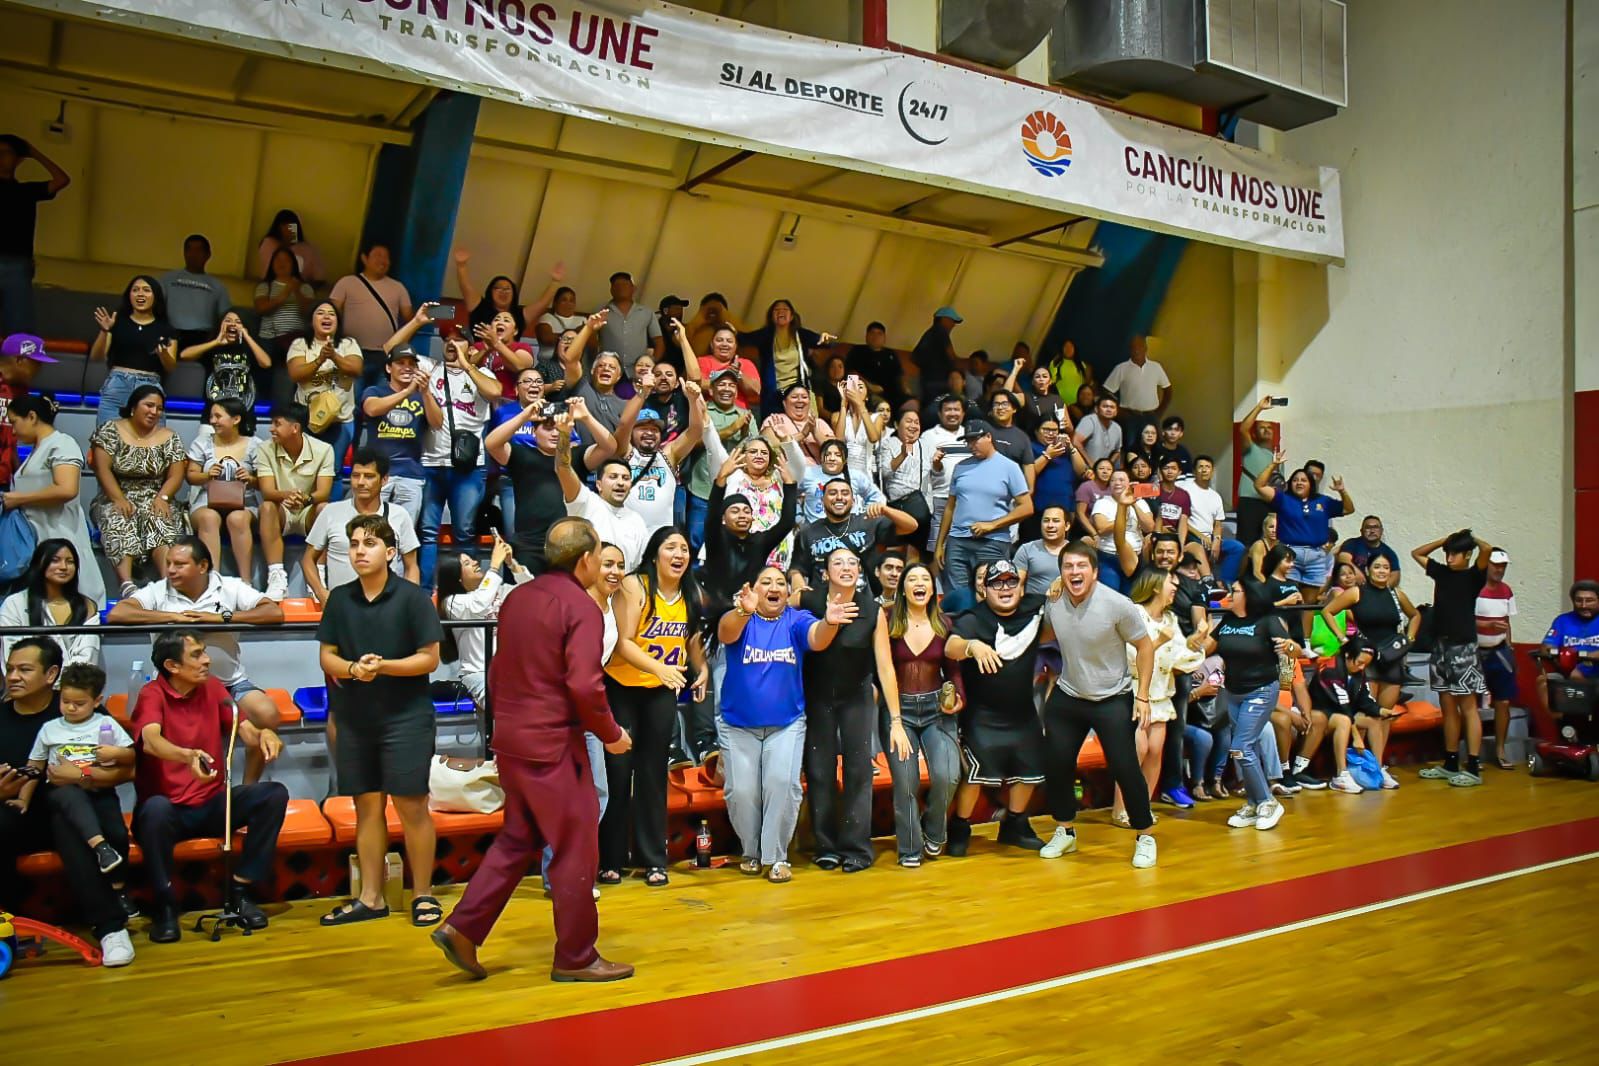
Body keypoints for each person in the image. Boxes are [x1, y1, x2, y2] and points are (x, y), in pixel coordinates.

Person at [432, 517, 633, 982]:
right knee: (575, 849)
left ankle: (463, 928)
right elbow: (585, 684)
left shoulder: (517, 597)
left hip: (512, 738)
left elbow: (498, 670)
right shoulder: (580, 607)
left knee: (517, 838)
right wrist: (611, 733)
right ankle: (577, 956)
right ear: (586, 559)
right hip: (553, 744)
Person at [317, 515, 443, 928]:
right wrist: (354, 669)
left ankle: (422, 893)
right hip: (356, 718)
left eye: (368, 544)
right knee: (366, 806)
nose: (358, 551)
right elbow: (327, 657)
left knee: (412, 806)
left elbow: (429, 658)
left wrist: (384, 666)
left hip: (406, 717)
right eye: (353, 543)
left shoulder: (411, 597)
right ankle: (371, 897)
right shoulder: (339, 599)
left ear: (390, 553)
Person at [132, 629, 287, 943]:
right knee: (155, 810)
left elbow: (245, 729)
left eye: (204, 652)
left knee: (273, 794)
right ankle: (164, 905)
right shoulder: (152, 694)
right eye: (197, 655)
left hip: (211, 803)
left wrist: (265, 734)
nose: (206, 660)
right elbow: (150, 740)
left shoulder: (213, 687)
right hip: (169, 809)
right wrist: (185, 755)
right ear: (172, 666)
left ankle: (240, 889)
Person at [0, 639, 134, 966]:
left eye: (24, 669)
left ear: (51, 675)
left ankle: (111, 928)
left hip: (73, 806)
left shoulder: (82, 708)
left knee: (69, 816)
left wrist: (81, 776)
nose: (13, 677)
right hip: (18, 809)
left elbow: (126, 769)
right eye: (9, 669)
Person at [717, 567, 851, 882]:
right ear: (754, 590)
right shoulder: (742, 618)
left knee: (782, 785)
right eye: (766, 582)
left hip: (786, 724)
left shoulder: (795, 619)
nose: (774, 587)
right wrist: (741, 611)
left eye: (781, 582)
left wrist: (829, 622)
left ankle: (776, 857)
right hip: (738, 725)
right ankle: (751, 852)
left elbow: (817, 640)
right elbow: (725, 633)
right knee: (741, 791)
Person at [110, 536, 285, 778]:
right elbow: (118, 613)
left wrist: (222, 619)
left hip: (229, 684)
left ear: (202, 566)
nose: (170, 570)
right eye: (169, 563)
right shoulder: (157, 590)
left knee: (266, 713)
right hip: (176, 689)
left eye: (179, 564)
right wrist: (172, 618)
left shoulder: (230, 586)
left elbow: (273, 611)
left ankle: (247, 790)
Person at [1036, 545, 1158, 867]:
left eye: (1081, 566)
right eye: (1068, 566)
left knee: (1124, 767)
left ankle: (1145, 834)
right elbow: (1047, 632)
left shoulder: (1118, 605)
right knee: (1057, 762)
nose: (1075, 572)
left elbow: (1145, 647)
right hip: (1070, 692)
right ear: (1060, 571)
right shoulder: (1055, 600)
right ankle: (1065, 831)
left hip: (1112, 697)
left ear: (1095, 571)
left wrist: (1143, 696)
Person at [600, 526, 708, 887]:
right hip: (622, 687)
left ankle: (652, 859)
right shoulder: (635, 585)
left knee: (652, 775)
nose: (679, 554)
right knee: (617, 773)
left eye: (684, 549)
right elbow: (622, 643)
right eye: (671, 547)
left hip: (660, 692)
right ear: (655, 553)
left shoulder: (691, 592)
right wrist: (660, 668)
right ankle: (610, 857)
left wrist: (702, 668)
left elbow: (691, 639)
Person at [939, 560, 1052, 855]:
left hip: (1022, 712)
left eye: (1010, 582)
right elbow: (950, 646)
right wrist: (972, 647)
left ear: (1021, 585)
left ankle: (1015, 825)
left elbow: (1062, 601)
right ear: (984, 588)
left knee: (1029, 772)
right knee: (974, 775)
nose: (1005, 588)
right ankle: (960, 827)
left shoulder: (1035, 608)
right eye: (997, 583)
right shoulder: (973, 618)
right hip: (982, 715)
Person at [799, 547, 883, 872]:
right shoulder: (808, 600)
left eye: (852, 563)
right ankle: (826, 846)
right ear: (824, 572)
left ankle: (857, 848)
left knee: (858, 772)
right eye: (838, 562)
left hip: (856, 696)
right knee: (819, 771)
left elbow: (883, 665)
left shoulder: (872, 608)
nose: (846, 568)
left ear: (860, 570)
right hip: (817, 696)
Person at [875, 563, 962, 866]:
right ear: (903, 588)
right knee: (905, 781)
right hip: (898, 710)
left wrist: (958, 697)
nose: (919, 583)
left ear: (933, 589)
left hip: (937, 709)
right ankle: (910, 848)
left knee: (948, 775)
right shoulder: (887, 621)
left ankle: (935, 831)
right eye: (912, 579)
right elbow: (880, 668)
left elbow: (953, 670)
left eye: (925, 578)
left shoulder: (944, 623)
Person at [20, 664, 133, 891]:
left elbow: (131, 756)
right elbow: (34, 767)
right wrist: (23, 799)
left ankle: (119, 889)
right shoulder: (50, 729)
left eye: (79, 704)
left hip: (98, 790)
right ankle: (101, 848)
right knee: (70, 797)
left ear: (97, 700)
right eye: (65, 701)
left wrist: (116, 753)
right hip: (61, 791)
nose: (71, 708)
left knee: (118, 833)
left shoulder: (105, 723)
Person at [1206, 581, 1302, 832]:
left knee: (1240, 748)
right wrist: (1197, 638)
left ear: (1248, 596)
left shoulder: (1267, 620)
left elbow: (1296, 649)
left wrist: (1289, 647)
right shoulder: (1227, 622)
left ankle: (1269, 802)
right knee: (1245, 749)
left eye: (1235, 591)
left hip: (1260, 690)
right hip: (1234, 692)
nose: (1230, 595)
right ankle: (1253, 802)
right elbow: (1207, 648)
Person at [486, 395, 616, 573]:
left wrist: (586, 416)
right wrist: (524, 416)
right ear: (534, 432)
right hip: (528, 545)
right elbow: (491, 443)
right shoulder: (520, 454)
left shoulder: (576, 455)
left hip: (568, 545)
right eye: (548, 428)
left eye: (559, 428)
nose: (555, 433)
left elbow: (609, 447)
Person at [1319, 553, 1416, 788]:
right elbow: (1327, 611)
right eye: (1377, 566)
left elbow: (1415, 615)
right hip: (1367, 660)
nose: (1381, 571)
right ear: (1368, 569)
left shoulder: (1396, 595)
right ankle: (1357, 766)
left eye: (1386, 567)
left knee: (1385, 716)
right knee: (1368, 714)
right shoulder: (1357, 592)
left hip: (1392, 660)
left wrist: (1410, 637)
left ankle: (1379, 768)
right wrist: (1343, 638)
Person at [4, 393, 105, 606]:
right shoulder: (36, 451)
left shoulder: (62, 443)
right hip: (38, 538)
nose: (13, 431)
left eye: (14, 422)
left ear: (31, 417)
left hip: (60, 532)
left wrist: (19, 499)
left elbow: (67, 489)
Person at [89, 385, 189, 598]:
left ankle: (168, 585)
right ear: (134, 406)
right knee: (118, 517)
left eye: (159, 408)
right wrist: (118, 498)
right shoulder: (110, 429)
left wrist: (163, 498)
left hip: (156, 495)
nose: (154, 412)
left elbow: (176, 474)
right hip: (116, 494)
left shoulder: (170, 436)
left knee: (159, 518)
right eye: (149, 405)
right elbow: (102, 468)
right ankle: (127, 585)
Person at [1413, 528, 1495, 786]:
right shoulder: (1441, 572)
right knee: (1447, 706)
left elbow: (1488, 550)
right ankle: (1450, 762)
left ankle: (1472, 765)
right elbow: (1417, 553)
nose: (1449, 558)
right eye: (1448, 553)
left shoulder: (1473, 576)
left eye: (1455, 554)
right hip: (1440, 646)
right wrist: (1444, 541)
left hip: (1463, 648)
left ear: (1467, 555)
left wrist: (1469, 540)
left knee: (1467, 707)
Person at [303, 448, 422, 602]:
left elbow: (411, 566)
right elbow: (308, 559)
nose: (360, 482)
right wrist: (321, 593)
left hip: (387, 606)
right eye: (355, 476)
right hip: (342, 607)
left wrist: (409, 602)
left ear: (384, 480)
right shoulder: (330, 512)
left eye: (369, 476)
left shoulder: (400, 515)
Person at [934, 421, 1032, 599]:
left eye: (975, 440)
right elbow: (950, 507)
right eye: (968, 442)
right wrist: (940, 544)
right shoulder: (961, 467)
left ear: (989, 437)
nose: (971, 446)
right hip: (958, 540)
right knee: (958, 596)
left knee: (993, 593)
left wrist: (992, 525)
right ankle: (961, 627)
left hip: (993, 541)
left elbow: (1027, 507)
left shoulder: (1009, 467)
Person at [437, 533, 534, 709]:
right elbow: (479, 604)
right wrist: (494, 566)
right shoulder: (452, 602)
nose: (475, 562)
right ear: (456, 576)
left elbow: (532, 591)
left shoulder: (500, 590)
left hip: (512, 671)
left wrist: (511, 563)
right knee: (508, 706)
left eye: (472, 560)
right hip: (479, 674)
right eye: (466, 563)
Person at [254, 402, 336, 600]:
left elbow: (323, 492)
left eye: (277, 423)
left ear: (295, 428)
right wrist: (288, 496)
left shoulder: (324, 449)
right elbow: (267, 491)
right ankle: (276, 577)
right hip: (282, 510)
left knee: (325, 508)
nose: (271, 429)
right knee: (266, 507)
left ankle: (318, 577)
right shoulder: (264, 449)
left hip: (308, 510)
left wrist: (306, 499)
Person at [1253, 450, 1354, 597]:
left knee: (1308, 605)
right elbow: (1259, 486)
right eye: (1295, 480)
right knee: (1287, 599)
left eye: (1303, 480)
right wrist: (1274, 465)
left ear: (1311, 484)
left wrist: (1342, 491)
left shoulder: (1323, 501)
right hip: (1290, 554)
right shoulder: (1283, 499)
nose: (1299, 482)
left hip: (1316, 557)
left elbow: (1348, 509)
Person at [185, 397, 262, 582]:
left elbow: (265, 482)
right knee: (209, 517)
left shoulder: (256, 444)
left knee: (238, 519)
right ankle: (212, 580)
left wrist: (250, 479)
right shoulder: (202, 442)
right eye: (211, 416)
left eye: (218, 416)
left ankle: (246, 582)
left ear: (236, 419)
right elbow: (190, 476)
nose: (213, 421)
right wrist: (207, 475)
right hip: (206, 500)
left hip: (244, 501)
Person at [790, 478, 916, 590]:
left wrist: (886, 510)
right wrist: (798, 585)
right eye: (832, 493)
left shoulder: (868, 522)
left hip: (864, 600)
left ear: (853, 501)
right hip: (821, 603)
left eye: (845, 493)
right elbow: (796, 568)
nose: (839, 497)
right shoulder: (807, 532)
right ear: (822, 500)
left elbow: (911, 526)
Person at [0, 134, 70, 333]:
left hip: (17, 264)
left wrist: (33, 152)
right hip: (16, 265)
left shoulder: (26, 191)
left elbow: (62, 179)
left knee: (19, 328)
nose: (1, 156)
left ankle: (18, 363)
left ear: (18, 159)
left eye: (7, 152)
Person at [329, 240, 413, 406]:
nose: (383, 260)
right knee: (350, 405)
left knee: (381, 403)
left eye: (386, 257)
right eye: (378, 256)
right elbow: (330, 314)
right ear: (364, 258)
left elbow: (410, 318)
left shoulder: (398, 287)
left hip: (387, 356)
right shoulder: (347, 283)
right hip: (353, 354)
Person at [288, 300, 363, 482]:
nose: (327, 316)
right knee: (304, 470)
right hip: (307, 418)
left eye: (332, 313)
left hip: (340, 420)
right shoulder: (300, 344)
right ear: (312, 320)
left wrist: (334, 356)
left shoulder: (348, 343)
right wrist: (319, 360)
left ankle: (329, 510)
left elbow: (356, 369)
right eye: (320, 312)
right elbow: (295, 373)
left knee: (333, 471)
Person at [89, 276, 177, 426]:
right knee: (108, 440)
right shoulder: (117, 321)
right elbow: (96, 357)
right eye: (135, 290)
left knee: (152, 443)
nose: (140, 294)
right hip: (117, 384)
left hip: (150, 386)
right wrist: (105, 331)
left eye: (146, 290)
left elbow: (171, 366)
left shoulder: (166, 328)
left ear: (156, 296)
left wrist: (163, 354)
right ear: (129, 295)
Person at [0, 539, 101, 668]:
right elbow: (11, 654)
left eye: (70, 562)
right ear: (39, 564)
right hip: (28, 684)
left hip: (74, 684)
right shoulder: (15, 604)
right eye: (55, 560)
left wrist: (60, 680)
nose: (63, 567)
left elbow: (88, 655)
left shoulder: (87, 606)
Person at [359, 342, 428, 525]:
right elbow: (372, 409)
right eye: (401, 363)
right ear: (389, 368)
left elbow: (437, 423)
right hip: (378, 473)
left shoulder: (422, 396)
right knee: (371, 530)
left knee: (403, 534)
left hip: (411, 473)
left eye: (411, 364)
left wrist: (426, 392)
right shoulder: (375, 391)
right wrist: (407, 392)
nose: (407, 368)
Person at [1312, 636, 1391, 793]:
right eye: (1360, 663)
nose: (1362, 667)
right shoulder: (1330, 670)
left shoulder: (1357, 672)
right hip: (1323, 714)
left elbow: (1364, 700)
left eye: (1366, 665)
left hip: (1344, 714)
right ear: (1347, 655)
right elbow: (1343, 708)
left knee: (1373, 720)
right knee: (1344, 721)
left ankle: (1378, 769)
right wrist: (1356, 738)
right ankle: (1341, 775)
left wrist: (1381, 711)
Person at [560, 445, 649, 572]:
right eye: (613, 477)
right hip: (585, 588)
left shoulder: (637, 520)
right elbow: (563, 468)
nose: (620, 482)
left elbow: (639, 566)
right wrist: (564, 434)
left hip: (620, 588)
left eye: (626, 478)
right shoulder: (586, 502)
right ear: (599, 485)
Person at [741, 299, 832, 415]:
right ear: (771, 316)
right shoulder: (765, 335)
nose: (780, 312)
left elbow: (820, 341)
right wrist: (731, 330)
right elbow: (744, 338)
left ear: (792, 316)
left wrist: (825, 339)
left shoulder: (800, 334)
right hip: (773, 392)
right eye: (776, 310)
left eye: (785, 309)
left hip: (796, 391)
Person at [252, 247, 315, 406]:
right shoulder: (265, 286)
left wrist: (297, 290)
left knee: (287, 378)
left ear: (293, 264)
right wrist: (285, 294)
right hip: (268, 338)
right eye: (277, 260)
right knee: (264, 376)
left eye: (286, 260)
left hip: (295, 340)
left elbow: (308, 312)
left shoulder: (304, 287)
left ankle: (285, 408)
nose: (281, 264)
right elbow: (262, 308)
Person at [1476, 549, 1519, 770]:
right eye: (1495, 565)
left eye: (1503, 566)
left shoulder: (1506, 591)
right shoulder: (1474, 588)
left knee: (1503, 701)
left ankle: (1500, 750)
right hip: (1475, 651)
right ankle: (1472, 753)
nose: (1499, 570)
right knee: (1470, 703)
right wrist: (1486, 626)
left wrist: (1509, 647)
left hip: (1500, 651)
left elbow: (1506, 621)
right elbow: (1464, 620)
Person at [179, 312, 272, 412]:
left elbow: (266, 363)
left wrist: (247, 337)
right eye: (228, 320)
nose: (232, 324)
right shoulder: (213, 348)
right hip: (212, 415)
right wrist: (216, 342)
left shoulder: (249, 350)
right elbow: (184, 355)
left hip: (244, 413)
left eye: (238, 322)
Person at [160, 234, 233, 353]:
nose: (193, 254)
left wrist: (214, 337)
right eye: (189, 249)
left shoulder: (217, 286)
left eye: (198, 250)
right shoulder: (168, 279)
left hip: (203, 336)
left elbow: (226, 316)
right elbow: (156, 307)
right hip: (171, 333)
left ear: (208, 255)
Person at [1178, 455, 1244, 584]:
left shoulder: (1215, 496)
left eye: (1207, 467)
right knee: (1199, 545)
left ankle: (1225, 584)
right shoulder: (1185, 490)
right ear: (1194, 471)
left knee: (1237, 547)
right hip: (1191, 537)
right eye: (1200, 467)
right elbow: (1181, 520)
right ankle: (1209, 583)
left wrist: (1217, 540)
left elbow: (1218, 524)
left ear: (1212, 471)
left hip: (1210, 538)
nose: (1204, 470)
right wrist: (1201, 536)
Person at [791, 437, 886, 524]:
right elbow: (789, 495)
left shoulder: (856, 476)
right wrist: (799, 517)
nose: (832, 458)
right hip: (816, 532)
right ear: (821, 457)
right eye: (827, 454)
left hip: (849, 530)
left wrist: (864, 516)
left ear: (845, 460)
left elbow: (877, 497)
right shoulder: (807, 473)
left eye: (837, 455)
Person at [0, 332, 54, 485]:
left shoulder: (21, 393)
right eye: (36, 363)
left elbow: (11, 444)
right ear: (19, 360)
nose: (40, 368)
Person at [1091, 471, 1153, 593]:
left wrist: (1133, 503)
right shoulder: (1103, 502)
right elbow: (1101, 529)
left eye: (1121, 480)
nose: (1117, 483)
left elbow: (1149, 527)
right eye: (1113, 480)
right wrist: (1122, 514)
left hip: (1135, 557)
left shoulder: (1140, 502)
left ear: (1129, 483)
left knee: (1132, 595)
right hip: (1109, 556)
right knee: (1111, 594)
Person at [1102, 335, 1170, 443]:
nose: (1137, 350)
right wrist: (1119, 411)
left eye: (1140, 346)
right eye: (1133, 347)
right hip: (1130, 417)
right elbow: (1106, 392)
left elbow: (1168, 390)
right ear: (1130, 349)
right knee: (1130, 447)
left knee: (1155, 448)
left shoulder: (1156, 367)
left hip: (1151, 416)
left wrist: (1160, 411)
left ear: (1145, 348)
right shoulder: (1121, 368)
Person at [594, 271, 663, 374]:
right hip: (609, 371)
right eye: (616, 285)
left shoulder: (646, 312)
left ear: (633, 288)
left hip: (637, 373)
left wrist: (651, 364)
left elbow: (659, 341)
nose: (620, 287)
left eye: (625, 284)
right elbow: (591, 341)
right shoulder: (601, 313)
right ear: (611, 290)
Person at [1234, 394, 1280, 544]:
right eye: (1262, 428)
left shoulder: (1277, 458)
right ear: (1255, 433)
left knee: (1269, 544)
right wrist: (1259, 407)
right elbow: (1242, 429)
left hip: (1270, 504)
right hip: (1250, 503)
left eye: (1269, 428)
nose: (1266, 430)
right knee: (1246, 544)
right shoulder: (1251, 449)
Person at [911, 307, 965, 408]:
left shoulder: (928, 334)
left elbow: (914, 357)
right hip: (939, 383)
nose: (953, 325)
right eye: (952, 321)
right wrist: (959, 372)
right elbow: (951, 356)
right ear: (944, 319)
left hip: (927, 381)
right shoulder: (941, 332)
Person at [255, 209, 325, 285]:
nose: (288, 230)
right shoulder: (269, 243)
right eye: (285, 226)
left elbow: (318, 278)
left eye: (292, 226)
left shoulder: (305, 249)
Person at [846, 321, 904, 408]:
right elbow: (850, 373)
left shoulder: (891, 354)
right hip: (867, 392)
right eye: (872, 333)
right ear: (866, 336)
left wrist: (905, 389)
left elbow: (900, 374)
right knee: (881, 405)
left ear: (884, 338)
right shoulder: (857, 351)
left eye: (879, 334)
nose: (875, 337)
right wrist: (870, 386)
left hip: (893, 393)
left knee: (912, 403)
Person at [1337, 514, 1402, 576]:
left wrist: (1383, 586)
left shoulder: (1388, 552)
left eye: (1375, 527)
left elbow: (1395, 574)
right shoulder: (1352, 543)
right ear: (1361, 531)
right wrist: (1356, 572)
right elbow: (1343, 558)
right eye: (1368, 527)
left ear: (1381, 531)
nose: (1372, 531)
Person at [1072, 392, 1123, 465]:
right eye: (1105, 406)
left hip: (1101, 470)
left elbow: (1117, 451)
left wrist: (1108, 465)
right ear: (1096, 409)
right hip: (1084, 468)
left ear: (1116, 412)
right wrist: (1091, 464)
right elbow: (1075, 442)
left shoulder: (1117, 428)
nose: (1108, 410)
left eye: (1112, 407)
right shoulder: (1090, 420)